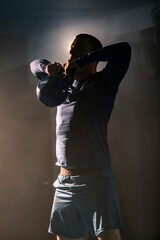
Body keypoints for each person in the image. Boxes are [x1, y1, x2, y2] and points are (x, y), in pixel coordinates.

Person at [30, 33, 131, 240]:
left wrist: (83, 60)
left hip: (96, 180)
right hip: (64, 182)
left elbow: (124, 50)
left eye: (78, 48)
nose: (71, 52)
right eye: (71, 48)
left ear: (92, 57)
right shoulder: (62, 87)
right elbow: (34, 65)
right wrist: (50, 68)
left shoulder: (104, 83)